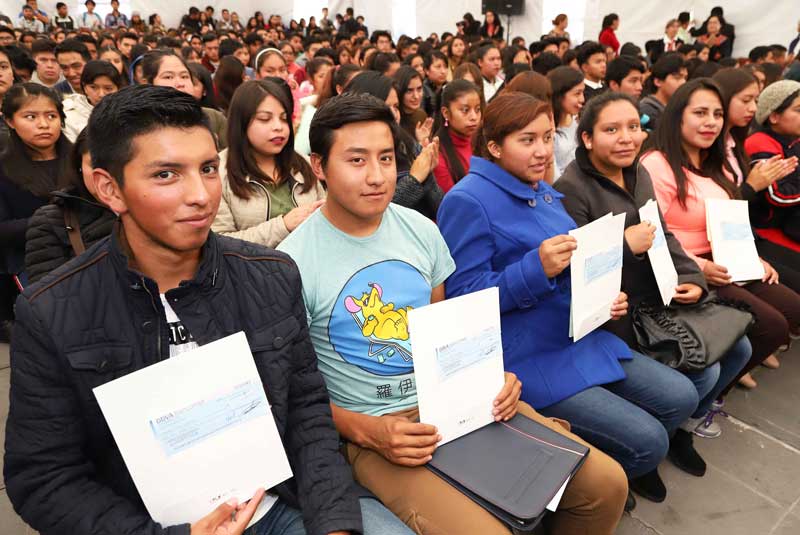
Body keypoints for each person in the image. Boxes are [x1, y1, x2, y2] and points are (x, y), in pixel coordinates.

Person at [5, 83, 412, 535]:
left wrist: (335, 524)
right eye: (166, 175)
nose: (200, 195)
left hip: (279, 504)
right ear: (110, 189)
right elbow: (44, 478)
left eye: (207, 168)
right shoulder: (54, 311)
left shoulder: (271, 276)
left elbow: (306, 414)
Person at [278, 90, 628, 535]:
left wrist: (491, 375)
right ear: (318, 166)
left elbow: (446, 332)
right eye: (356, 160)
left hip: (452, 399)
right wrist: (367, 432)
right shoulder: (291, 264)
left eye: (386, 159)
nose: (376, 177)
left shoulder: (422, 229)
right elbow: (289, 391)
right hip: (376, 427)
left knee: (606, 484)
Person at [437, 90, 698, 509]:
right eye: (527, 140)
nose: (542, 151)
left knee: (682, 396)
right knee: (648, 441)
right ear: (493, 146)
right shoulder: (467, 200)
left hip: (577, 334)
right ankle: (587, 489)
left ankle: (604, 473)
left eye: (547, 137)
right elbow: (461, 299)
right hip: (529, 355)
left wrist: (600, 297)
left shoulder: (539, 188)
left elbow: (573, 264)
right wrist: (533, 269)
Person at [554, 91, 751, 455]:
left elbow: (662, 233)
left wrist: (692, 277)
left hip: (660, 295)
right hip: (619, 314)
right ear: (587, 138)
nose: (626, 137)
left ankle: (683, 427)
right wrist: (624, 246)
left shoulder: (638, 172)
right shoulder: (571, 189)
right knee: (701, 372)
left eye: (633, 127)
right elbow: (576, 275)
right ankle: (660, 436)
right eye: (611, 129)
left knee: (739, 346)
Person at [642, 78, 800, 391]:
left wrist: (752, 258)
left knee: (792, 310)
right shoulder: (657, 164)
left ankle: (716, 388)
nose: (711, 122)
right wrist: (700, 268)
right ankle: (708, 399)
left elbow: (731, 219)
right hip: (688, 266)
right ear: (678, 117)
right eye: (700, 113)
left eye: (716, 114)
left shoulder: (716, 163)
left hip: (726, 259)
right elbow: (653, 233)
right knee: (771, 326)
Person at [212, 79, 325, 248]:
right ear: (241, 123)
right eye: (265, 119)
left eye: (284, 118)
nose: (278, 127)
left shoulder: (303, 164)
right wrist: (283, 225)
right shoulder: (218, 173)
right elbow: (220, 243)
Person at [1, 83, 71, 297]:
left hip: (91, 259)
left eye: (51, 116)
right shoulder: (3, 170)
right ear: (10, 121)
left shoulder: (81, 160)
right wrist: (54, 219)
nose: (43, 124)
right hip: (32, 268)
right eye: (30, 117)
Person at [346, 71, 442, 220]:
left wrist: (427, 172)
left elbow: (439, 207)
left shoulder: (408, 144)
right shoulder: (351, 156)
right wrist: (414, 179)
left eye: (396, 106)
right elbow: (377, 213)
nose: (394, 114)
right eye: (385, 107)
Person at [24, 129, 115, 283]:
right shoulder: (50, 221)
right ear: (79, 165)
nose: (107, 176)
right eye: (96, 165)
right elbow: (49, 298)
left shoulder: (162, 207)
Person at [744, 80, 800, 244]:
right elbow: (778, 195)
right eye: (798, 110)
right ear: (774, 116)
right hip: (768, 227)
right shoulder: (760, 142)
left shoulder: (794, 140)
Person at [141, 49, 227, 149]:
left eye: (184, 76)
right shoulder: (138, 126)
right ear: (147, 84)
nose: (180, 83)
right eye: (168, 77)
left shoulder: (214, 118)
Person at [433, 79, 482, 193]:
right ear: (446, 113)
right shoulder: (438, 155)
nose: (474, 117)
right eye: (465, 110)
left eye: (478, 109)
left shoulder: (482, 141)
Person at [63, 59, 122, 141]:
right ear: (84, 87)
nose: (101, 94)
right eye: (93, 87)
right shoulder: (69, 114)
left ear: (117, 89)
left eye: (108, 88)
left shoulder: (125, 113)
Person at [549, 66, 585, 175]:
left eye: (583, 92)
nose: (582, 99)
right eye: (577, 93)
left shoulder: (579, 120)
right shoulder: (549, 129)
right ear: (560, 95)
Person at [294, 56, 334, 155]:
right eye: (321, 76)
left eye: (330, 76)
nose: (326, 80)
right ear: (310, 79)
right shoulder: (304, 103)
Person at [639, 53, 687, 133]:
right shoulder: (647, 109)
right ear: (658, 81)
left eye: (685, 78)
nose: (683, 82)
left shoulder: (679, 106)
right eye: (677, 78)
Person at [394, 65, 429, 143]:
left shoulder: (421, 115)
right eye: (409, 91)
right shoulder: (395, 118)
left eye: (419, 89)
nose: (416, 96)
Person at [421, 50, 447, 117]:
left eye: (445, 67)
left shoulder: (449, 87)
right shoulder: (422, 90)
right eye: (438, 67)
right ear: (426, 70)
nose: (443, 71)